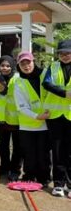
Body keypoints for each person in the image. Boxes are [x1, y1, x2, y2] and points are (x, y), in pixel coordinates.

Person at [14, 51, 50, 185]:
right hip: (27, 125)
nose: (26, 66)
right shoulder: (19, 82)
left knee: (43, 154)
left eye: (28, 62)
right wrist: (37, 116)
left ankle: (44, 178)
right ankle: (29, 176)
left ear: (33, 62)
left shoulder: (45, 76)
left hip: (46, 124)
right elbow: (21, 106)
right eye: (22, 63)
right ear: (19, 65)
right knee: (29, 154)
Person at [43, 39, 71, 197]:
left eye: (68, 53)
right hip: (55, 116)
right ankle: (59, 184)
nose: (65, 56)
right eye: (62, 53)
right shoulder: (52, 67)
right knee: (58, 151)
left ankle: (70, 184)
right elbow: (46, 84)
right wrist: (64, 93)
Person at [0, 56, 21, 181]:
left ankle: (15, 170)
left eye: (8, 66)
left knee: (17, 147)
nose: (4, 68)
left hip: (16, 119)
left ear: (12, 66)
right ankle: (4, 167)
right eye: (2, 65)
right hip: (1, 119)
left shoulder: (17, 78)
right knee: (2, 146)